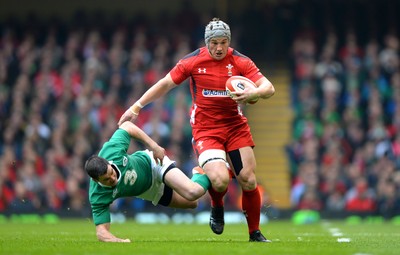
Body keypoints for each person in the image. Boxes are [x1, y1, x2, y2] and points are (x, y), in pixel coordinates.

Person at [118, 17, 275, 242]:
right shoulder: (192, 61)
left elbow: (268, 87)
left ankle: (255, 233)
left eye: (223, 42)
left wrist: (255, 93)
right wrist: (136, 106)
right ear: (206, 42)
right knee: (220, 181)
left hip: (235, 127)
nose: (219, 48)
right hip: (206, 130)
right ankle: (217, 204)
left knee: (248, 180)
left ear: (228, 42)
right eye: (214, 43)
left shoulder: (240, 61)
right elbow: (165, 83)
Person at [85, 121, 211, 242]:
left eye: (111, 172)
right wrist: (118, 241)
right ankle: (199, 173)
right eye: (107, 179)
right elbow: (101, 232)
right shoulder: (97, 195)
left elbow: (127, 126)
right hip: (149, 191)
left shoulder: (111, 152)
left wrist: (153, 146)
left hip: (153, 164)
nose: (112, 178)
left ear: (109, 163)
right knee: (193, 202)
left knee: (193, 191)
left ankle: (213, 168)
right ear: (96, 180)